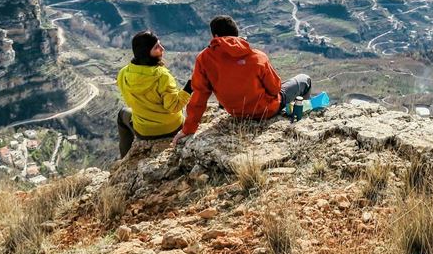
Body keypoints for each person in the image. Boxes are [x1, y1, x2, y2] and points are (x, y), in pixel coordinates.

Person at [173, 15, 311, 144]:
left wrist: (188, 129)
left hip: (236, 112)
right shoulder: (257, 56)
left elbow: (199, 97)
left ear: (215, 36)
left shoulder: (204, 59)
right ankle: (303, 119)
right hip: (267, 110)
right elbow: (275, 89)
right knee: (304, 80)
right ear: (236, 34)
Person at [116, 30, 192, 157]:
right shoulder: (162, 76)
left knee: (122, 114)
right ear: (146, 52)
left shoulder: (124, 73)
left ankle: (125, 156)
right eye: (157, 47)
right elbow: (173, 107)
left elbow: (129, 99)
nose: (162, 49)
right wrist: (188, 89)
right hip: (172, 128)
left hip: (144, 131)